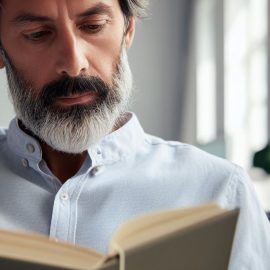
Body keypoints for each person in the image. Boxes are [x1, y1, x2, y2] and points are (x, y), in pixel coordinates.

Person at [0, 0, 269, 269]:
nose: (74, 63)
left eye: (93, 27)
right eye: (37, 34)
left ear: (128, 28)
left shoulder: (222, 193)